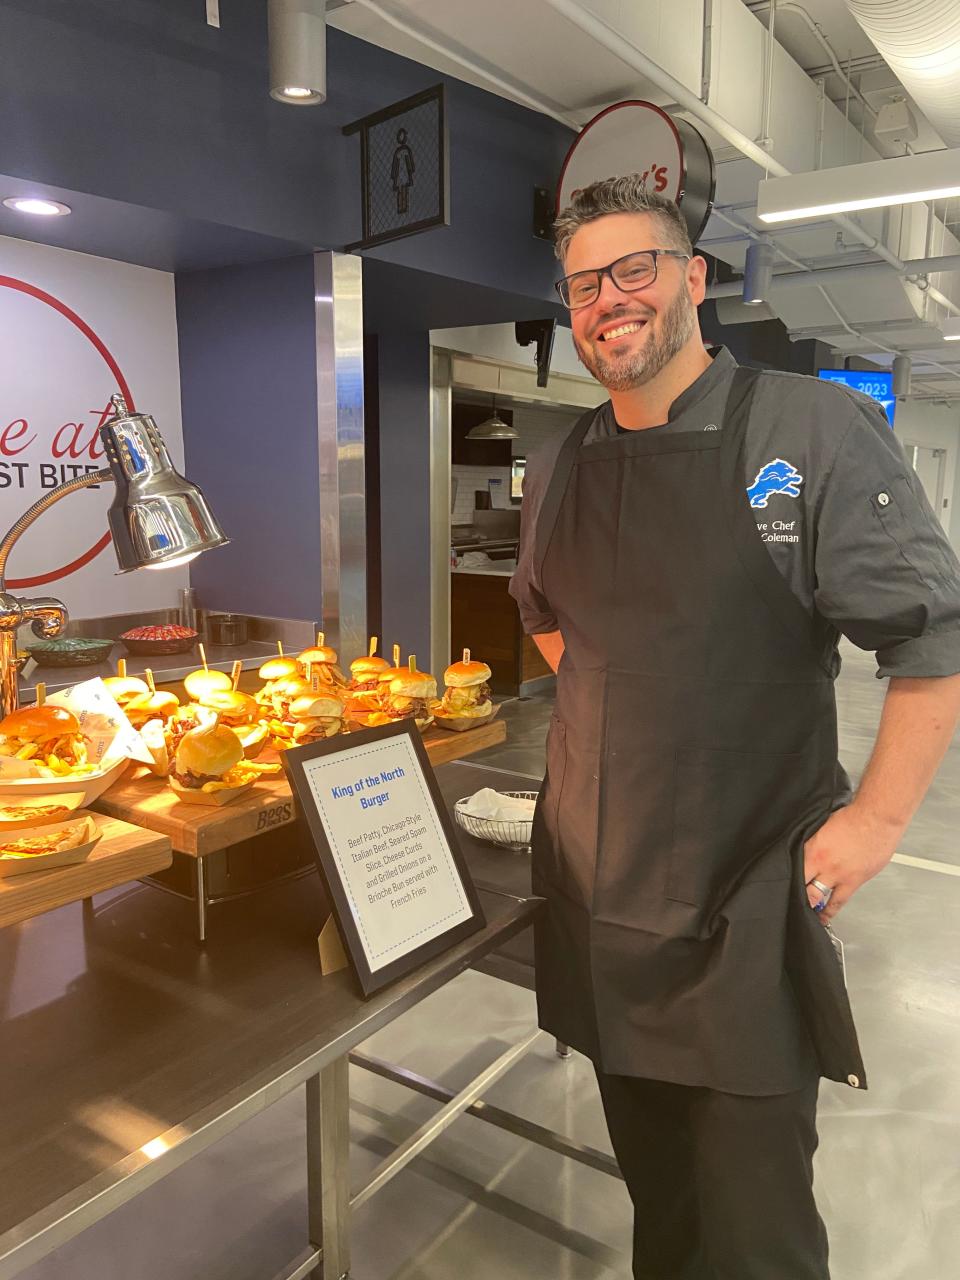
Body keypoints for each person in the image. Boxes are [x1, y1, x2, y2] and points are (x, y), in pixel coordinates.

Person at [509, 174, 960, 1280]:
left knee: (757, 1238)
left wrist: (876, 819)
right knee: (659, 1209)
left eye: (633, 269)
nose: (607, 300)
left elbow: (933, 641)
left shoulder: (809, 429)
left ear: (693, 279)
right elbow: (545, 619)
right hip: (600, 905)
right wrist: (635, 699)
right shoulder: (564, 457)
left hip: (742, 909)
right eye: (582, 284)